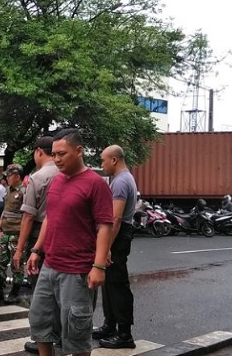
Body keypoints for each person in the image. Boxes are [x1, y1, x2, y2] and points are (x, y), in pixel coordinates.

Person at [25, 129, 114, 356]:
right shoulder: (56, 181)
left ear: (79, 151)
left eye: (62, 154)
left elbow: (105, 225)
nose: (56, 159)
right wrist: (36, 250)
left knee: (76, 333)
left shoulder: (95, 184)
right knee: (40, 323)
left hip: (77, 271)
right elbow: (49, 219)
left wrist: (99, 265)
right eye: (54, 154)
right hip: (50, 265)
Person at [13, 136, 59, 354]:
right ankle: (59, 335)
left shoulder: (38, 177)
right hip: (61, 236)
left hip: (38, 237)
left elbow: (28, 217)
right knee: (59, 287)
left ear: (39, 152)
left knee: (40, 290)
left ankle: (44, 339)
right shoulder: (65, 173)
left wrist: (20, 249)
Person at [93, 145, 138, 349]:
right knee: (109, 282)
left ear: (114, 160)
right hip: (119, 233)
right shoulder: (122, 178)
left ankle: (125, 334)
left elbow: (116, 218)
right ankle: (110, 325)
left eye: (103, 160)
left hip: (118, 235)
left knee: (118, 284)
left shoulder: (121, 181)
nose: (101, 165)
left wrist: (107, 246)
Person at [0, 163, 27, 303]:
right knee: (0, 261)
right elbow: (5, 210)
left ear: (17, 176)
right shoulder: (8, 191)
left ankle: (15, 292)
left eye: (9, 175)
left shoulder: (24, 192)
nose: (7, 178)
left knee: (17, 263)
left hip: (17, 234)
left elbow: (27, 216)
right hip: (5, 232)